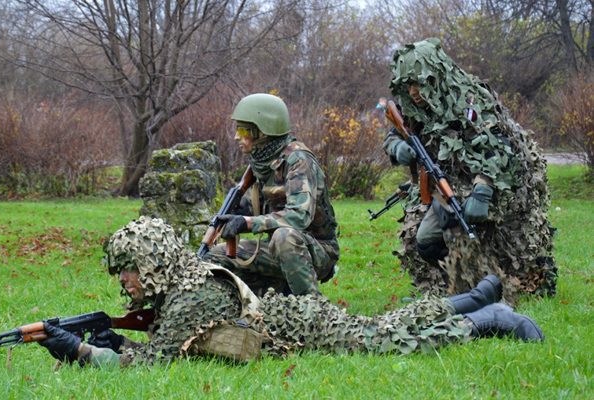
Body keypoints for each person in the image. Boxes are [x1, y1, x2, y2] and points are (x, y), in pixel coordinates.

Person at [38, 216, 543, 367]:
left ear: (153, 265)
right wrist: (117, 341)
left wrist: (83, 352)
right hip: (288, 320)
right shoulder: (181, 289)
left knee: (386, 339)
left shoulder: (191, 296)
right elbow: (165, 344)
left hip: (300, 326)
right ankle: (477, 298)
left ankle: (489, 317)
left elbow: (156, 364)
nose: (124, 281)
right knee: (383, 328)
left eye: (128, 270)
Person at [382, 38, 557, 303]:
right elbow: (394, 134)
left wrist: (483, 188)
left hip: (499, 181)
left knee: (491, 237)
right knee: (424, 240)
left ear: (435, 76)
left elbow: (497, 145)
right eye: (408, 85)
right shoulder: (412, 106)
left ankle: (492, 285)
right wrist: (397, 147)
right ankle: (449, 288)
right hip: (442, 183)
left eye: (419, 83)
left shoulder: (470, 99)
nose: (413, 91)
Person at [203, 93, 339, 296]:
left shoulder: (298, 160)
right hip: (276, 246)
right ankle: (260, 304)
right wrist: (240, 211)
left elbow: (299, 216)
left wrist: (247, 223)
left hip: (317, 249)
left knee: (284, 237)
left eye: (242, 130)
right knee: (215, 257)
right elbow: (267, 204)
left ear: (263, 132)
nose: (236, 136)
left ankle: (312, 308)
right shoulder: (262, 163)